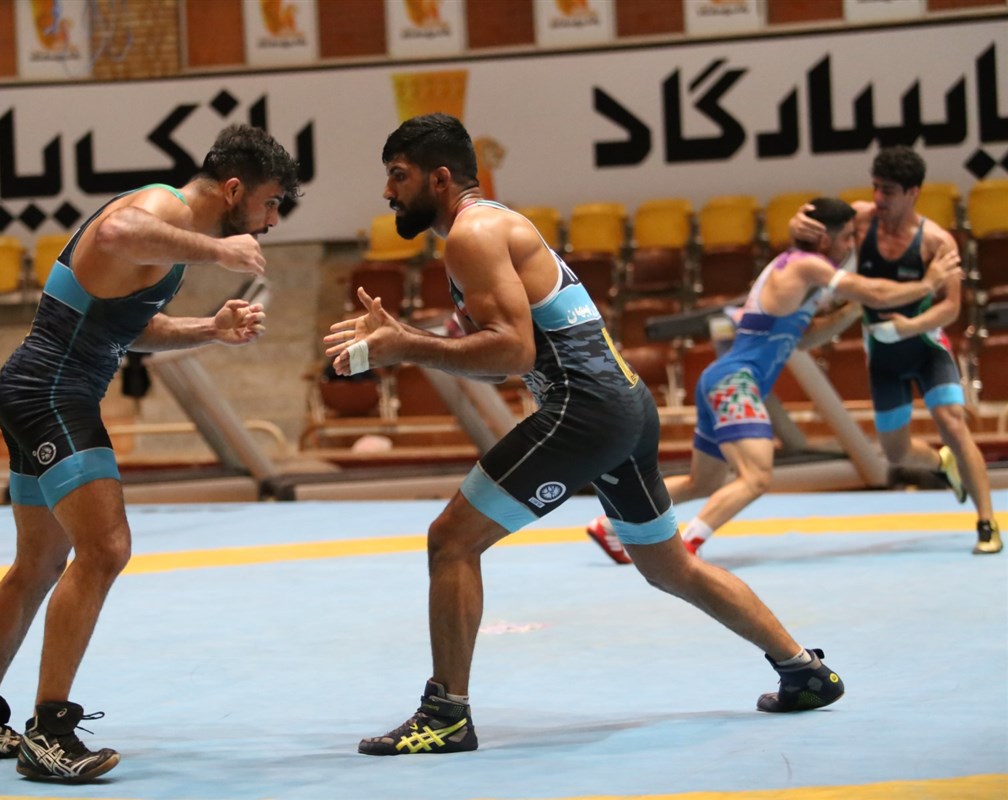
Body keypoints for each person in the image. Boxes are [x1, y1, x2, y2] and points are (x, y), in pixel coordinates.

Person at [324, 113, 845, 757]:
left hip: (586, 408)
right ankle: (803, 670)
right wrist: (406, 340)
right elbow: (505, 357)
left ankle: (447, 716)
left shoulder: (473, 234)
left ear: (439, 178)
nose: (387, 192)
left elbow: (512, 352)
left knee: (451, 540)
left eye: (397, 176)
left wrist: (406, 346)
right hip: (622, 404)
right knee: (669, 565)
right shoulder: (495, 224)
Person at [0, 125, 300, 782]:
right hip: (51, 394)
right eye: (272, 202)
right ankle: (50, 733)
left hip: (38, 390)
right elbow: (113, 234)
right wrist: (220, 250)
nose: (273, 220)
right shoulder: (164, 208)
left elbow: (131, 327)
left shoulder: (168, 236)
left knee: (38, 564)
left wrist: (211, 328)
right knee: (105, 549)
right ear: (234, 189)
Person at [587, 198, 961, 563]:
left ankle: (609, 525)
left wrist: (851, 311)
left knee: (703, 483)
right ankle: (686, 548)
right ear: (825, 239)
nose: (850, 245)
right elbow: (875, 291)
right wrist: (929, 283)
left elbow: (804, 340)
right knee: (756, 477)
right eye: (847, 237)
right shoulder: (807, 265)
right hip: (735, 382)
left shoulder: (796, 275)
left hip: (721, 380)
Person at [789, 146, 1000, 555]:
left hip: (926, 346)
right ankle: (941, 464)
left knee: (953, 424)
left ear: (912, 193)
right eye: (875, 187)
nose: (878, 198)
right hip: (883, 356)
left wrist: (909, 327)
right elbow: (810, 223)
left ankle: (986, 523)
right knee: (896, 452)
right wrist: (796, 221)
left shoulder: (936, 241)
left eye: (888, 191)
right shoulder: (861, 219)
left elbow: (951, 307)